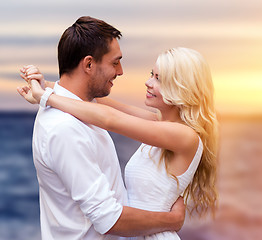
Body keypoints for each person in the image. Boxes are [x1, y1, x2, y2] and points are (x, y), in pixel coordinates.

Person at [18, 47, 219, 239]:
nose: (149, 82)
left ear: (181, 88)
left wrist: (45, 97)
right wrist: (45, 84)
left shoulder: (185, 136)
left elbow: (109, 119)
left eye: (159, 79)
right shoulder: (159, 125)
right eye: (152, 74)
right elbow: (98, 102)